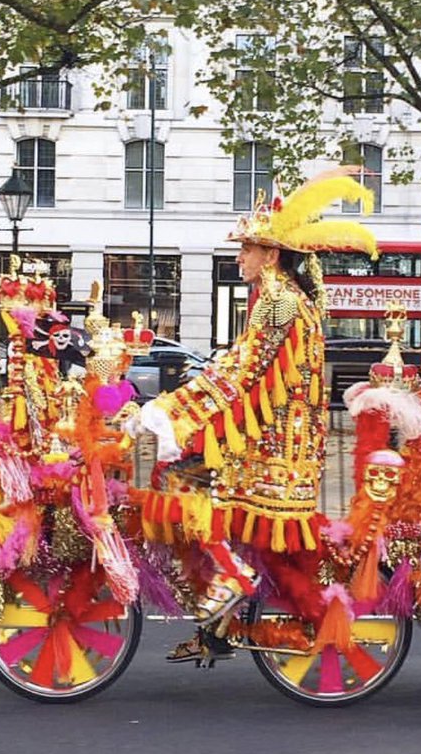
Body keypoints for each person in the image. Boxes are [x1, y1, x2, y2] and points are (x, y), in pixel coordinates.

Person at [134, 168, 377, 663]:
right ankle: (221, 627)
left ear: (270, 254)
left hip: (270, 450)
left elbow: (241, 375)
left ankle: (229, 581)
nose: (240, 257)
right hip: (280, 446)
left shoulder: (279, 302)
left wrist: (169, 411)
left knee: (181, 483)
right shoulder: (278, 299)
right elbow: (234, 364)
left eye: (247, 249)